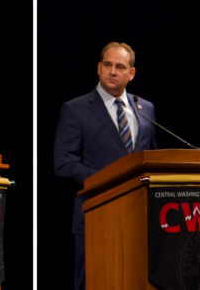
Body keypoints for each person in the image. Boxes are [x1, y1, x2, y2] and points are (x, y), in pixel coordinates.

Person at [54, 42, 157, 290]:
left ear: (131, 73)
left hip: (139, 215)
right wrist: (110, 180)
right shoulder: (75, 109)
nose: (113, 71)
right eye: (107, 65)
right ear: (98, 68)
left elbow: (150, 159)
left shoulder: (146, 109)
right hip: (95, 214)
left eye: (120, 66)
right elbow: (64, 163)